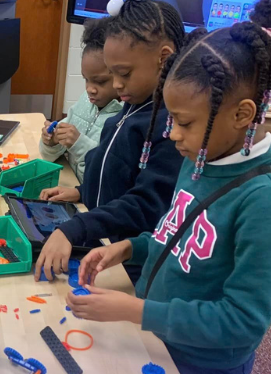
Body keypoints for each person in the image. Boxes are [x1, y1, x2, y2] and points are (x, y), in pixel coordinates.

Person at [68, 0, 271, 374]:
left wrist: (136, 310)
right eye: (171, 119)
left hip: (205, 363)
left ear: (242, 115)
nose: (172, 134)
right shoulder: (201, 158)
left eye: (184, 122)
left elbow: (241, 322)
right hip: (163, 329)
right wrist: (129, 247)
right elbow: (174, 238)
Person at [35, 0, 186, 284]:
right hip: (104, 237)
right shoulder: (134, 103)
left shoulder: (172, 126)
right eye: (113, 73)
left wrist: (76, 227)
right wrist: (82, 191)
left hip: (133, 266)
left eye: (124, 73)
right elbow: (119, 172)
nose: (116, 85)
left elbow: (146, 203)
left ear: (163, 58)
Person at [39, 17, 123, 183]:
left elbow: (108, 175)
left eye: (100, 82)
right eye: (86, 79)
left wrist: (78, 144)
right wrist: (51, 143)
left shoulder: (123, 117)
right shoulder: (85, 101)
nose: (89, 89)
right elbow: (48, 157)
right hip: (70, 185)